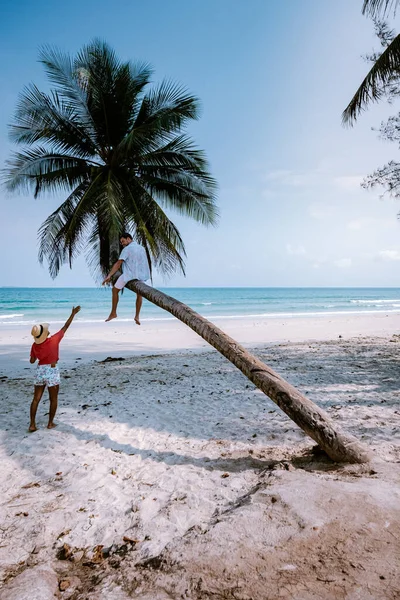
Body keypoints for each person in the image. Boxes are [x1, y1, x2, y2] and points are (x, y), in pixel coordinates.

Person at [29, 306, 81, 432]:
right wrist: (73, 313)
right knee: (53, 398)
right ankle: (50, 423)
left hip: (40, 370)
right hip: (52, 370)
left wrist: (38, 355)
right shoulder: (54, 340)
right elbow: (65, 327)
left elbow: (32, 361)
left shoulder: (35, 345)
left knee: (36, 398)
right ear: (45, 334)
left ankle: (32, 424)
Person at [102, 233, 150, 324]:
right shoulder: (142, 248)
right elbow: (144, 263)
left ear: (128, 239)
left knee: (115, 291)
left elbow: (118, 263)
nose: (122, 243)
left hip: (128, 275)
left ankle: (113, 313)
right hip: (141, 275)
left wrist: (109, 276)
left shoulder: (127, 249)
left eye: (123, 241)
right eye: (121, 242)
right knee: (139, 295)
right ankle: (137, 316)